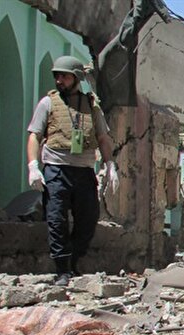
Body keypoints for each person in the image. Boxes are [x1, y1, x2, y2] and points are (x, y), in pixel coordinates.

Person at [26, 55, 119, 286]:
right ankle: (62, 269)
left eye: (64, 76)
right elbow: (35, 135)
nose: (59, 80)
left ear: (76, 77)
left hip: (84, 170)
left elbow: (103, 137)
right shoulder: (48, 103)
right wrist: (33, 166)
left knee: (88, 219)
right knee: (56, 219)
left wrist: (110, 164)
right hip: (56, 170)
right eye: (57, 76)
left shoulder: (91, 105)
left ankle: (74, 260)